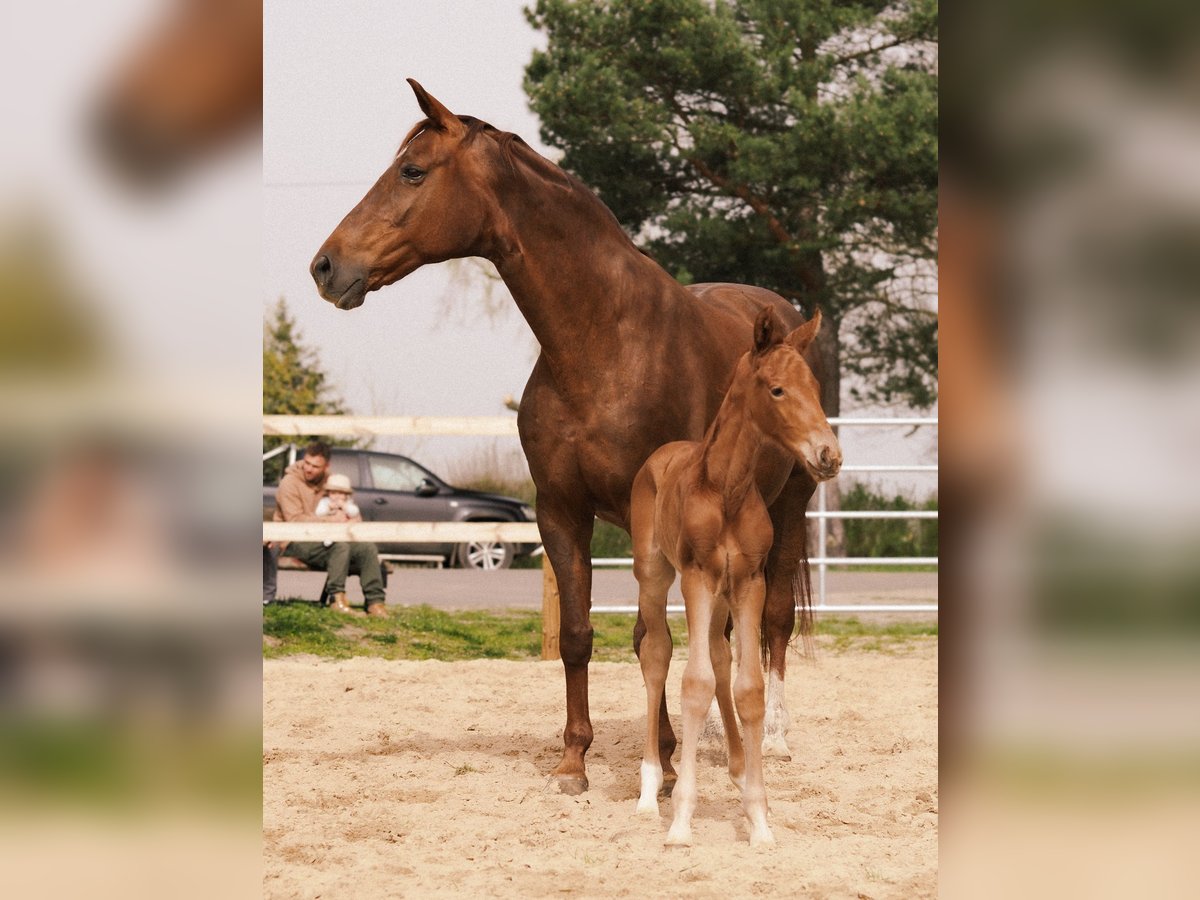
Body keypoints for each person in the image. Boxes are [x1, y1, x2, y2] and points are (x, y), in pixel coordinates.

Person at [272, 440, 387, 617]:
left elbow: (347, 505)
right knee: (339, 547)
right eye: (307, 463)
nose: (309, 469)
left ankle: (375, 602)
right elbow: (294, 520)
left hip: (328, 536)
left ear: (326, 466)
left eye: (315, 466)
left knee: (367, 548)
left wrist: (352, 519)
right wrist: (330, 520)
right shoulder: (289, 483)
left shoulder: (330, 481)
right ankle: (336, 598)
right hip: (295, 538)